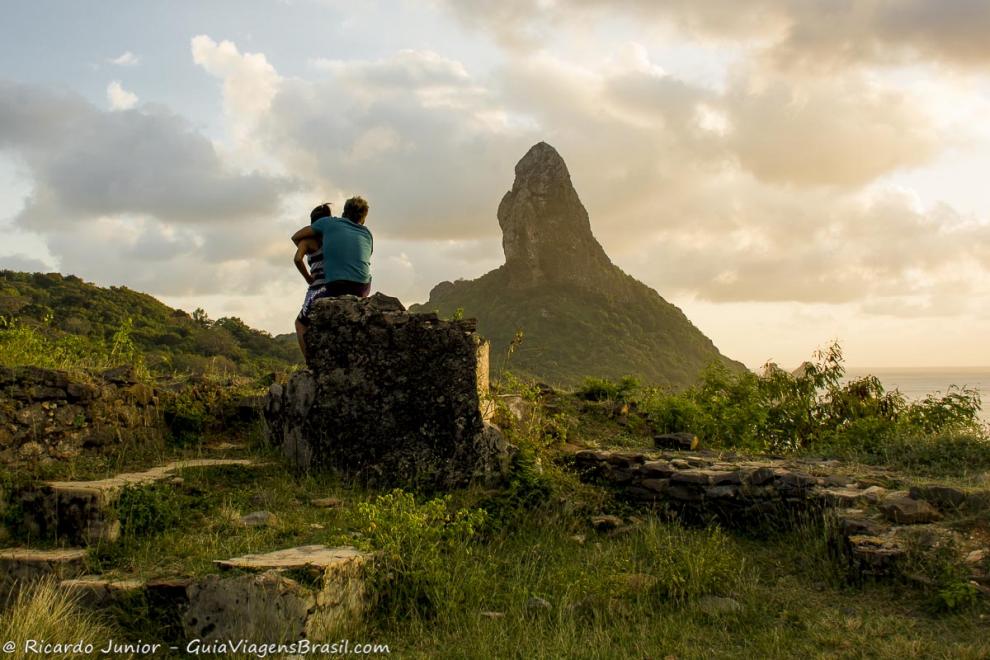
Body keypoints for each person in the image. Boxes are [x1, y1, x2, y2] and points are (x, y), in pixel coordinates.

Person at [291, 196, 374, 354]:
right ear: (363, 219)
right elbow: (367, 256)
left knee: (300, 323)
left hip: (335, 286)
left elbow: (295, 238)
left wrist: (307, 246)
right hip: (362, 289)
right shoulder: (367, 233)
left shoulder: (327, 224)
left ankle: (311, 365)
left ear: (343, 212)